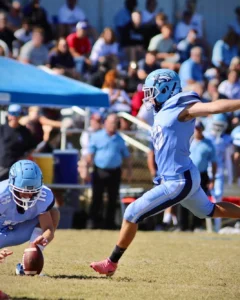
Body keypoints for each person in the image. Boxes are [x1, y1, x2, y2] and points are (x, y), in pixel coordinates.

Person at [90, 68, 240, 276]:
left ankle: (111, 263)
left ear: (165, 88)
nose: (148, 96)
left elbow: (212, 108)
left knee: (132, 212)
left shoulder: (181, 107)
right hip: (182, 174)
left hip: (179, 179)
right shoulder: (161, 110)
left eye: (151, 91)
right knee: (207, 210)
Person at [0, 160, 60, 275]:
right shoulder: (2, 194)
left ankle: (27, 264)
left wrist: (44, 238)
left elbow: (48, 228)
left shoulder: (44, 196)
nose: (28, 196)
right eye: (22, 192)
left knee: (54, 213)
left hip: (18, 230)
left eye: (33, 192)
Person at [87, 114, 131, 230]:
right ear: (105, 123)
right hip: (99, 170)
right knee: (97, 197)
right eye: (111, 122)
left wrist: (129, 171)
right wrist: (86, 169)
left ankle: (109, 224)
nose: (113, 125)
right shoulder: (97, 136)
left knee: (113, 198)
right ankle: (93, 222)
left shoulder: (120, 139)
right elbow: (89, 155)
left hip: (115, 171)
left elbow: (126, 156)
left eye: (116, 123)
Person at [0, 104, 37, 181]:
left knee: (15, 190)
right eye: (12, 113)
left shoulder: (25, 132)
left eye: (17, 113)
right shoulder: (2, 129)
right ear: (8, 114)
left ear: (20, 115)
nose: (14, 116)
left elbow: (32, 147)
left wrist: (24, 158)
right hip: (1, 166)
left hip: (17, 168)